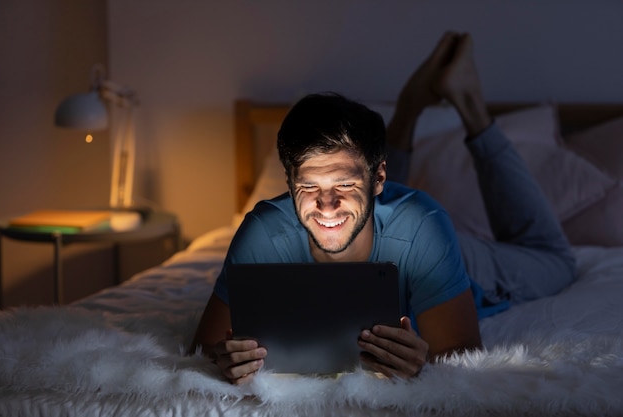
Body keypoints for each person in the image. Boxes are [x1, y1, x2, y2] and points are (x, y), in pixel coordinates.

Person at [190, 31, 576, 385]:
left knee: (556, 260)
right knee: (358, 209)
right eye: (309, 186)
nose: (326, 204)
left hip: (447, 253)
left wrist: (423, 364)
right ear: (290, 184)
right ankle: (408, 110)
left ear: (377, 179)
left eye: (344, 184)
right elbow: (205, 347)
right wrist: (225, 358)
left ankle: (471, 106)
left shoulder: (424, 227)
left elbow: (462, 353)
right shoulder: (262, 231)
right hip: (384, 220)